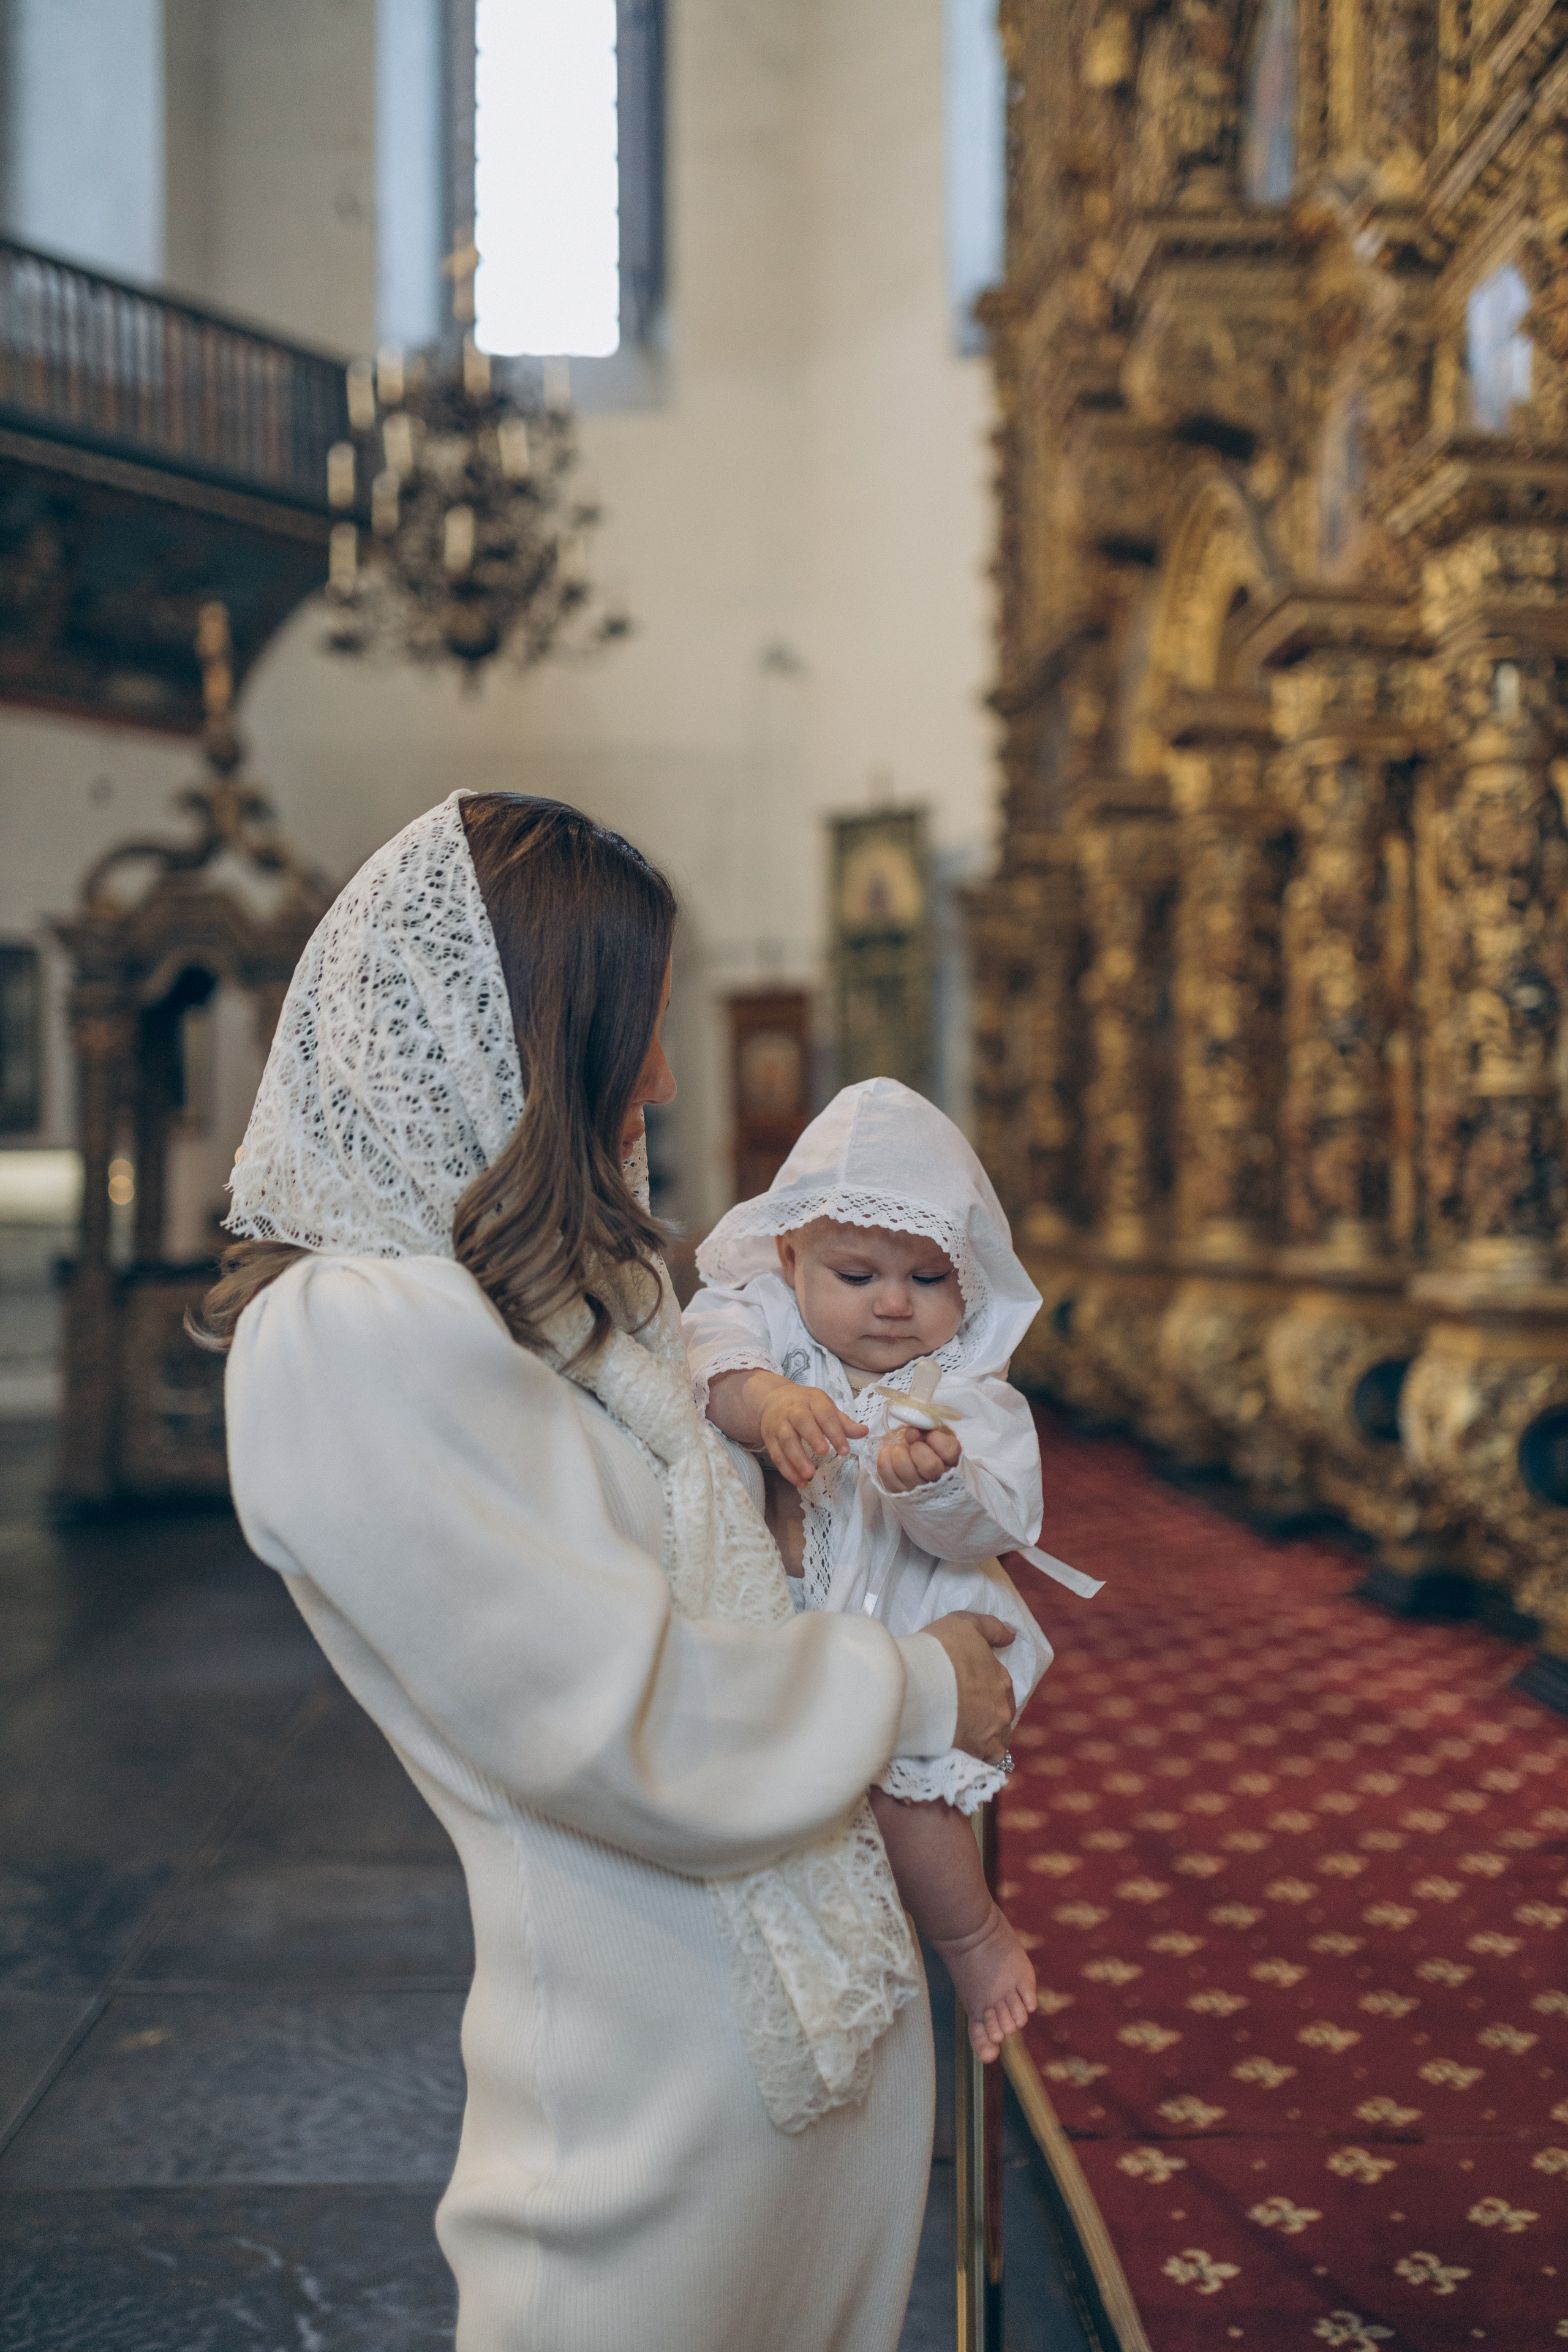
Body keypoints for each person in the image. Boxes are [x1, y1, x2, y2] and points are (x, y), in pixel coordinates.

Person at [202, 792, 1021, 2352]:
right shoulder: (356, 1334)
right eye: (629, 1028)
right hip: (639, 2130)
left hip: (791, 2075)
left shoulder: (585, 1300)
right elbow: (613, 1719)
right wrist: (924, 1685)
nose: (654, 1074)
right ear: (513, 1038)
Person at [685, 1078, 1100, 2061]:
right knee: (782, 1785)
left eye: (925, 1280)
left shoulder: (968, 1396)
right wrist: (772, 1404)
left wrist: (933, 1483)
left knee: (904, 1789)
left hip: (920, 1617)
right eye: (858, 1273)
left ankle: (971, 1935)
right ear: (790, 1256)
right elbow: (712, 1356)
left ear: (969, 1280)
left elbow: (1000, 1522)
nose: (890, 1305)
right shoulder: (774, 1326)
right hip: (782, 1613)